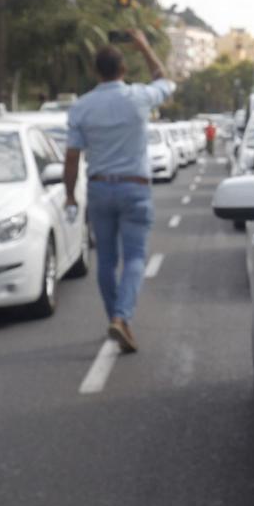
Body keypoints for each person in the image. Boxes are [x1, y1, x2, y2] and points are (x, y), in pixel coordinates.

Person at [61, 30, 173, 353]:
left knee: (106, 261)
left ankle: (115, 317)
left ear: (96, 72)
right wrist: (145, 47)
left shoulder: (81, 108)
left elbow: (72, 157)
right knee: (135, 256)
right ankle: (122, 318)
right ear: (123, 69)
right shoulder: (138, 96)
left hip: (99, 188)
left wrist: (70, 195)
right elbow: (164, 81)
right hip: (135, 188)